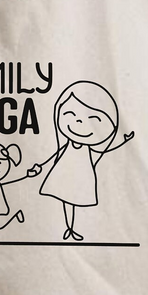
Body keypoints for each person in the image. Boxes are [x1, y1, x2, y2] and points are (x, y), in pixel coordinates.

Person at [37, 80, 133, 241]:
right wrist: (40, 167)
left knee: (74, 198)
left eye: (93, 119)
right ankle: (68, 227)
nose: (79, 122)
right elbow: (55, 155)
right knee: (66, 199)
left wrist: (123, 141)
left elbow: (104, 150)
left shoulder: (89, 148)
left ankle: (71, 228)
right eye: (70, 115)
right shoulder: (67, 144)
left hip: (81, 175)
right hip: (64, 172)